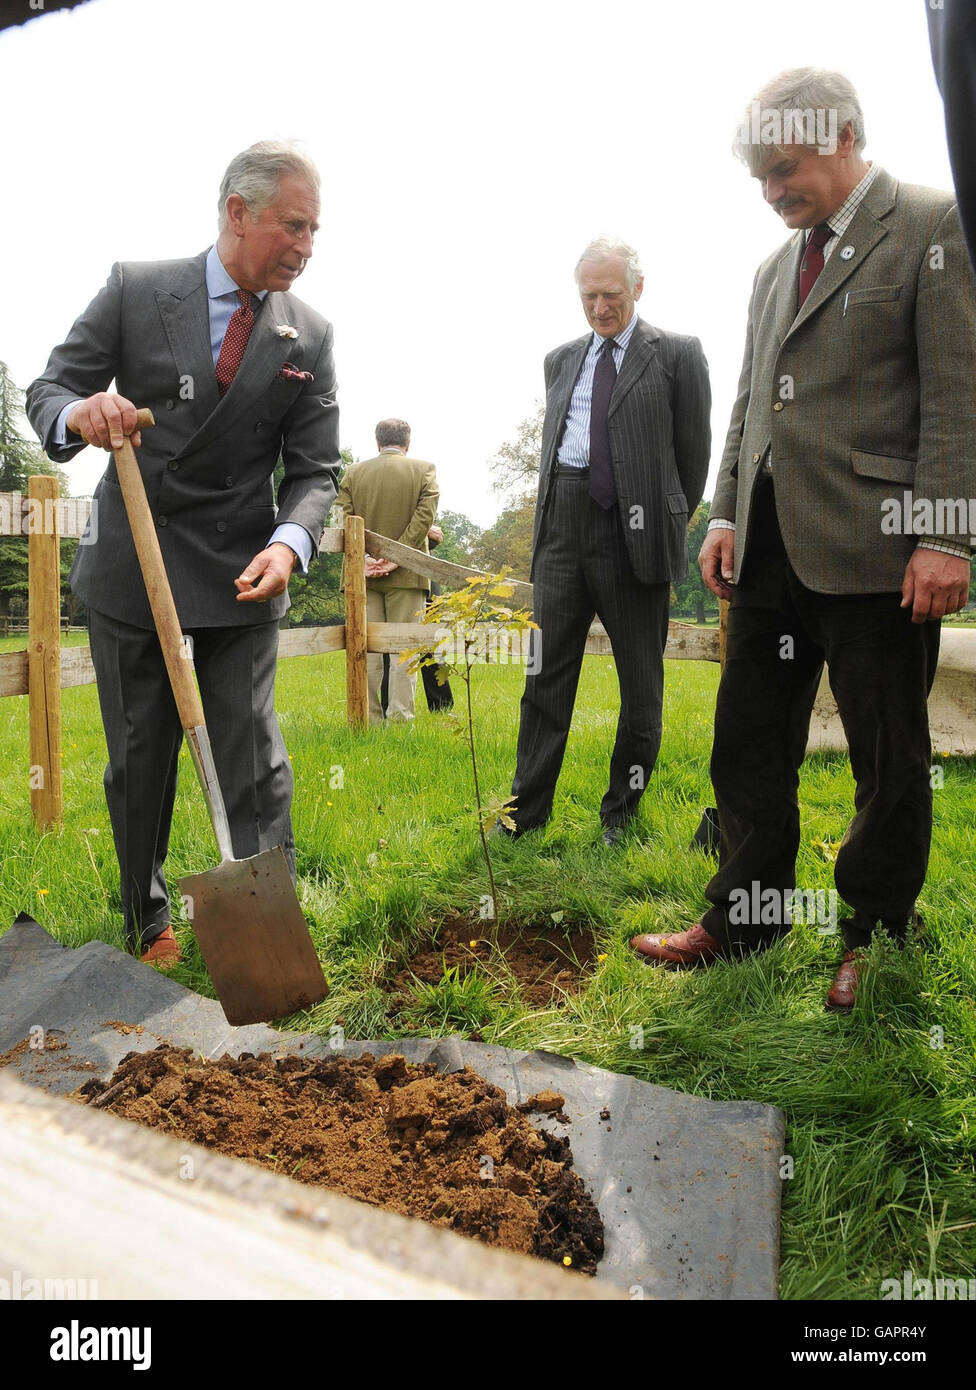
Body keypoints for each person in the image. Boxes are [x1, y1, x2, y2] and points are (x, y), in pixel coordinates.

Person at [631, 70, 976, 1011]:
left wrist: (950, 537)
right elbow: (751, 399)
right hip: (771, 549)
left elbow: (957, 392)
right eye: (761, 177)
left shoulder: (935, 226)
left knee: (887, 757)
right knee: (746, 742)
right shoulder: (773, 268)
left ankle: (873, 934)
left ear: (847, 136)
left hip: (882, 548)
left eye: (785, 169)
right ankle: (743, 918)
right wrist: (729, 513)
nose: (774, 191)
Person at [26, 141, 340, 968]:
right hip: (136, 561)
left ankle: (266, 936)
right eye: (294, 225)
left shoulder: (308, 333)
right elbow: (48, 391)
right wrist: (82, 414)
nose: (308, 245)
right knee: (140, 759)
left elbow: (315, 470)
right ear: (238, 213)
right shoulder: (137, 289)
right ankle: (147, 921)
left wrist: (289, 542)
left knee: (254, 756)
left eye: (316, 229)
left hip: (245, 571)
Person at [503, 236, 710, 846]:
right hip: (564, 527)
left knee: (640, 687)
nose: (600, 308)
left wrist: (662, 516)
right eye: (589, 296)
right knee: (544, 678)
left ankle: (621, 815)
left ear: (637, 289)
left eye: (611, 295)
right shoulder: (560, 359)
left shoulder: (676, 354)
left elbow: (693, 457)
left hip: (635, 533)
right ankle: (524, 814)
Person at [336, 419, 438, 723]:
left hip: (360, 573)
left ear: (377, 442)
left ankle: (368, 719)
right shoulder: (425, 470)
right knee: (404, 651)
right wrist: (397, 557)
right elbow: (425, 517)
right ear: (408, 442)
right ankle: (400, 719)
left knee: (364, 650)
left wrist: (366, 556)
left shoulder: (354, 472)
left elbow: (343, 516)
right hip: (408, 575)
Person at [381, 525, 454, 715]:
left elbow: (435, 536)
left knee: (433, 643)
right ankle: (387, 707)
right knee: (389, 645)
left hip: (423, 575)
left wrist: (426, 529)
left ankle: (442, 709)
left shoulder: (420, 499)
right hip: (387, 574)